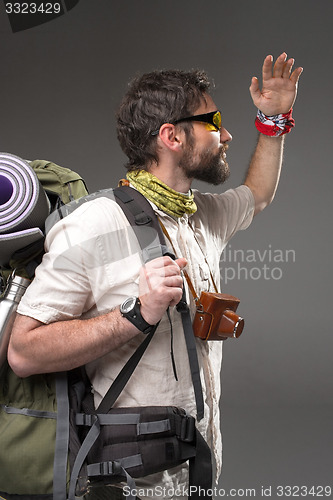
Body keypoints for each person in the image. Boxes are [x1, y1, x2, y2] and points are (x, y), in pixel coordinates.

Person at [8, 52, 303, 499]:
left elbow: (257, 195)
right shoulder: (94, 224)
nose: (226, 134)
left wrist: (273, 122)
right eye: (212, 122)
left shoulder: (202, 216)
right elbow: (24, 352)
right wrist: (135, 313)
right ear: (171, 136)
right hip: (128, 479)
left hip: (197, 467)